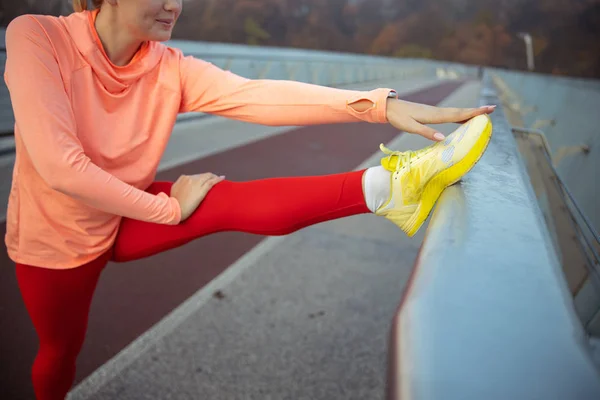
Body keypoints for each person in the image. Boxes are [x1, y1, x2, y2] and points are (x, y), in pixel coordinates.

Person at [3, 0, 495, 399]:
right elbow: (60, 166)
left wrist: (380, 106)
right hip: (57, 240)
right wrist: (169, 208)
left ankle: (390, 189)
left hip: (126, 208)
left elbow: (259, 95)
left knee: (222, 200)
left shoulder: (169, 66)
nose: (176, 6)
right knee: (61, 350)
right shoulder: (37, 37)